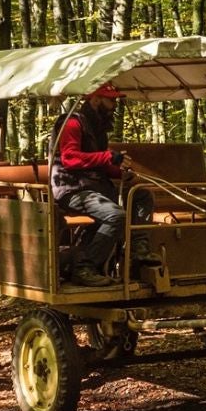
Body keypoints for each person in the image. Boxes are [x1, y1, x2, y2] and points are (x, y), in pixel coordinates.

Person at [50, 83, 162, 287]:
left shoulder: (97, 127)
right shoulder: (73, 123)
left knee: (142, 195)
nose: (114, 105)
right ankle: (84, 267)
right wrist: (108, 156)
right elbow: (70, 159)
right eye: (110, 100)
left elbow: (99, 164)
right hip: (73, 189)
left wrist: (121, 173)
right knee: (115, 215)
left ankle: (138, 249)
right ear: (95, 99)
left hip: (94, 187)